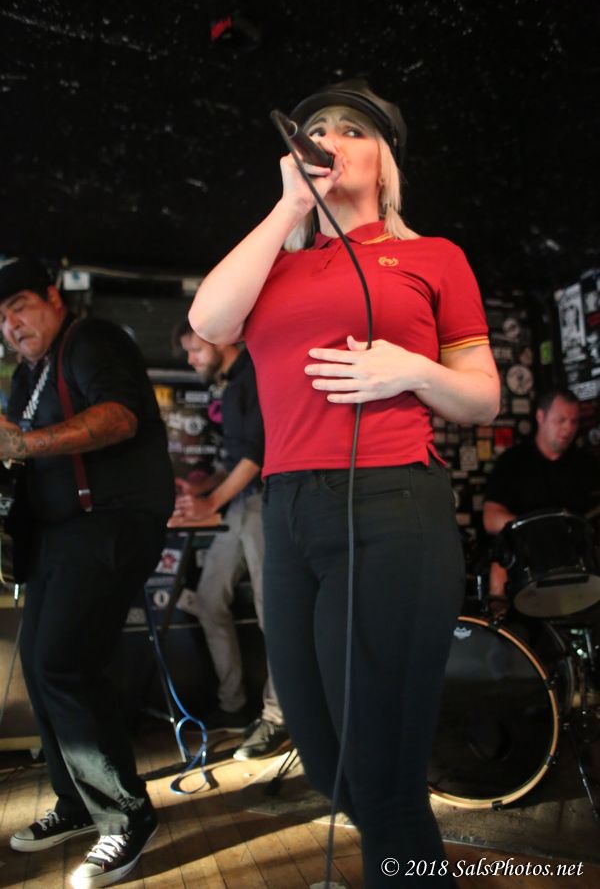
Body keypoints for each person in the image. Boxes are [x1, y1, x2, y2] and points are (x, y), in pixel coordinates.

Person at [187, 79, 499, 887]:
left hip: (390, 507)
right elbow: (209, 322)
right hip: (288, 511)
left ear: (386, 163)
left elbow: (484, 397)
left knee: (384, 776)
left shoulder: (433, 258)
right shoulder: (279, 264)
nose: (328, 137)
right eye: (316, 127)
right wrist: (290, 207)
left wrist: (410, 369)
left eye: (353, 129)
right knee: (327, 763)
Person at [0, 258, 174, 889]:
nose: (11, 325)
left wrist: (23, 444)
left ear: (53, 297)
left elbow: (120, 417)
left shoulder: (91, 339)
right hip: (58, 533)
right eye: (1, 318)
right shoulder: (29, 373)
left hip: (110, 523)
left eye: (19, 306)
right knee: (41, 668)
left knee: (63, 664)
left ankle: (126, 817)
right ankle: (77, 801)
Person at [171, 322, 289, 759]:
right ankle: (233, 705)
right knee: (207, 600)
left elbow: (257, 455)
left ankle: (279, 716)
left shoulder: (255, 372)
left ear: (221, 340)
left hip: (264, 502)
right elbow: (236, 459)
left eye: (196, 350)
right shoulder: (228, 383)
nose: (191, 360)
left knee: (272, 614)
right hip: (239, 503)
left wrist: (210, 502)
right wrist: (201, 489)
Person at [483, 388, 599, 595]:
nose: (568, 428)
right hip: (526, 558)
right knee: (500, 562)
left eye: (574, 422)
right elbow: (491, 519)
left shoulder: (587, 465)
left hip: (575, 558)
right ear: (540, 416)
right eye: (561, 420)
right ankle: (499, 612)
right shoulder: (512, 462)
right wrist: (540, 531)